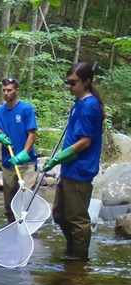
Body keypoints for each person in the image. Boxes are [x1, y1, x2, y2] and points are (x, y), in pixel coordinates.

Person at [43, 61, 104, 261]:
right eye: (67, 82)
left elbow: (85, 141)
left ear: (86, 82)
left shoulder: (89, 106)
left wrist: (58, 158)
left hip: (80, 170)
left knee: (77, 219)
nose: (69, 86)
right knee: (59, 215)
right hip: (69, 169)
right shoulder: (78, 103)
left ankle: (79, 260)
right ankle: (71, 249)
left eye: (73, 83)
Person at [0, 77, 39, 223]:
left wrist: (24, 153)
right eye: (3, 90)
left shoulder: (26, 109)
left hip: (27, 163)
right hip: (8, 162)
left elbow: (32, 134)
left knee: (27, 197)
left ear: (17, 90)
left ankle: (28, 226)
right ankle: (12, 224)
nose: (6, 93)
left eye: (9, 90)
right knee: (9, 201)